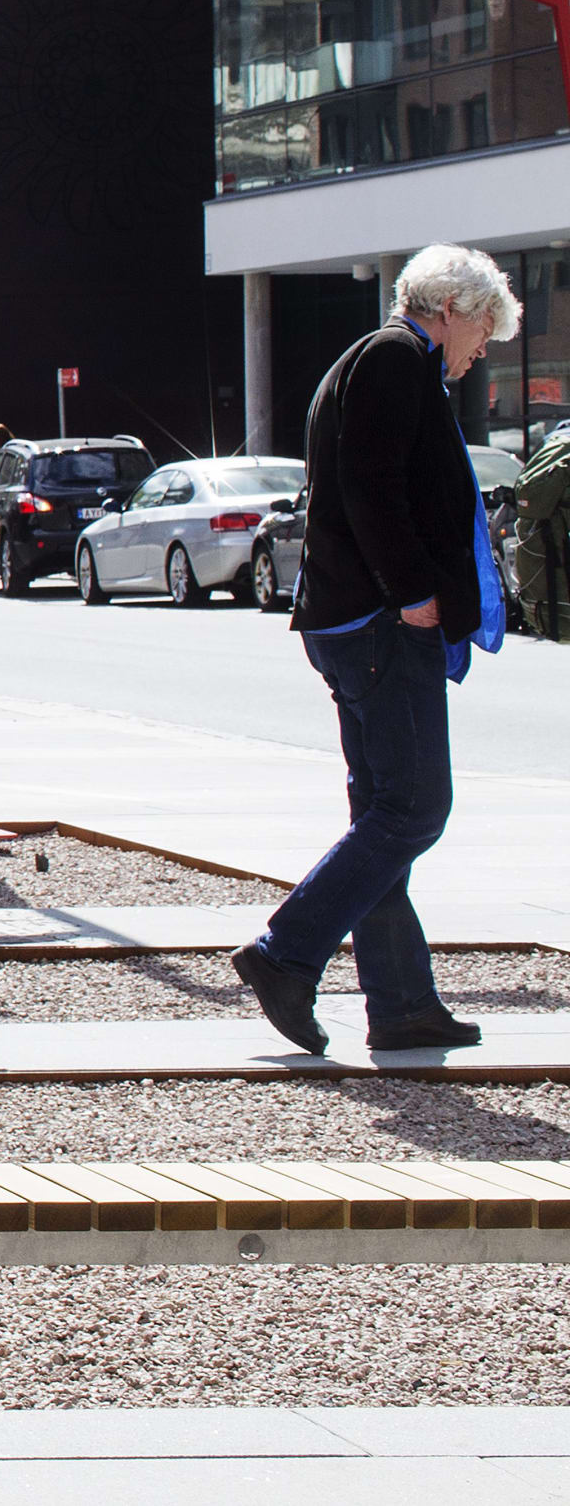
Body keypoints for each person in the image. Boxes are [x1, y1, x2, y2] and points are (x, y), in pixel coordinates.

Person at [233, 244, 522, 1057]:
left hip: (349, 622)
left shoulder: (371, 360)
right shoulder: (398, 360)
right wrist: (415, 593)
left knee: (383, 813)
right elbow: (373, 487)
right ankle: (286, 952)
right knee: (414, 808)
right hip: (381, 625)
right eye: (483, 333)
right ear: (454, 309)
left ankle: (400, 1004)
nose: (480, 353)